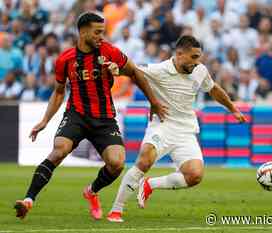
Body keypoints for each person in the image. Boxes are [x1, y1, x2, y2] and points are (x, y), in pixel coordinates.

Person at [14, 11, 167, 220]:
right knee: (59, 151)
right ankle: (28, 200)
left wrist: (154, 102)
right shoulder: (65, 59)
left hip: (104, 119)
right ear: (83, 32)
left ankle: (92, 191)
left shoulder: (109, 52)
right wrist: (44, 120)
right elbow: (59, 92)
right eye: (97, 32)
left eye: (102, 32)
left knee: (117, 164)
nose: (101, 37)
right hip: (76, 115)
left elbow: (135, 72)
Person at [107, 35, 246, 222]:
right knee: (145, 160)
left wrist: (233, 109)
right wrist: (117, 69)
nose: (198, 62)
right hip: (162, 126)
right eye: (194, 57)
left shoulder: (200, 70)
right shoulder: (160, 69)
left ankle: (150, 185)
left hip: (186, 131)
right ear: (180, 54)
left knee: (195, 175)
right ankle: (116, 210)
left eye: (199, 57)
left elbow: (213, 89)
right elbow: (134, 70)